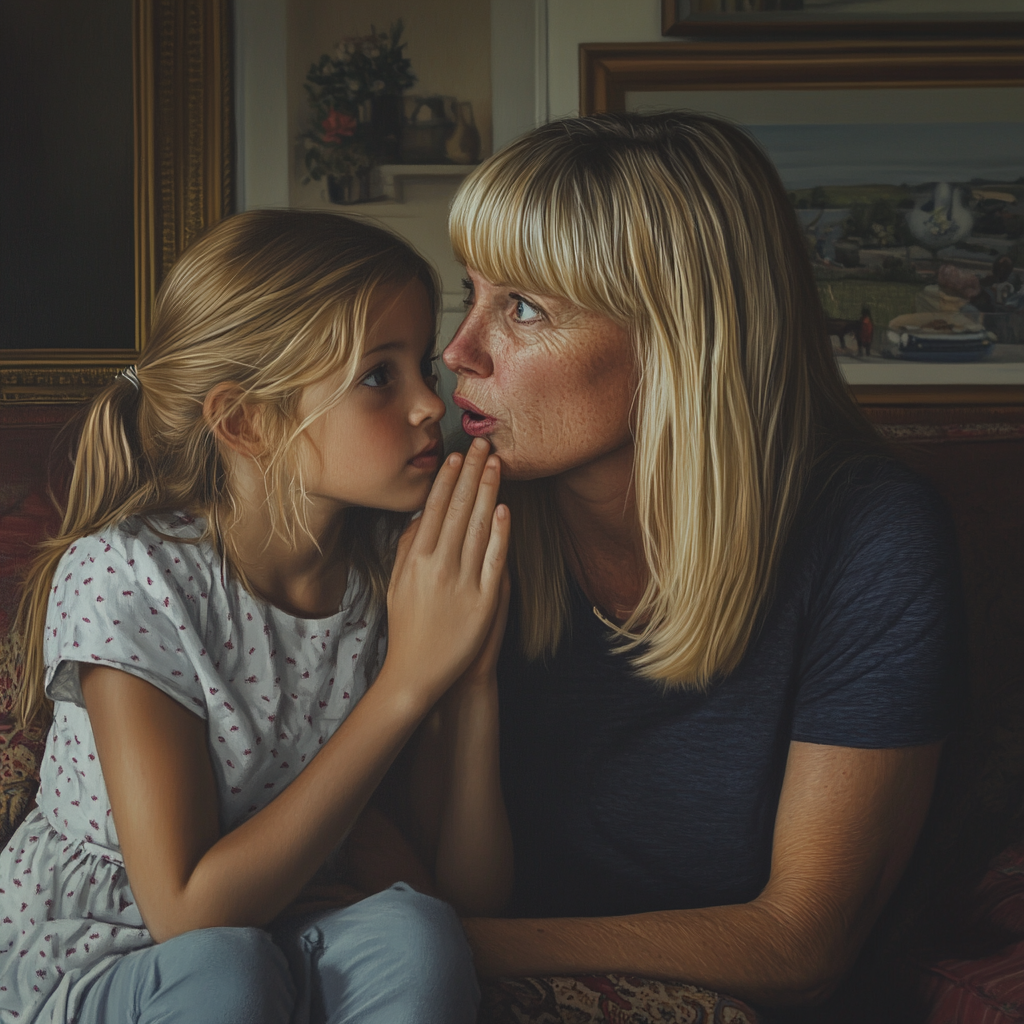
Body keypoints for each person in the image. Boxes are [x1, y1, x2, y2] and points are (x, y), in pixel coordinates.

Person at [441, 113, 965, 1012]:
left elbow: (804, 940)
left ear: (677, 337)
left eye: (523, 308)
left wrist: (430, 942)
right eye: (471, 292)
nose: (460, 350)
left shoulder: (869, 534)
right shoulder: (446, 492)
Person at [0, 210, 513, 1024]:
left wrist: (469, 671)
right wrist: (409, 681)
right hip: (110, 957)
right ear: (247, 421)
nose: (430, 404)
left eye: (422, 365)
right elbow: (185, 915)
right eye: (381, 376)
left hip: (281, 925)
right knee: (224, 969)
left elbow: (467, 900)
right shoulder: (129, 574)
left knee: (420, 934)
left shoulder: (392, 573)